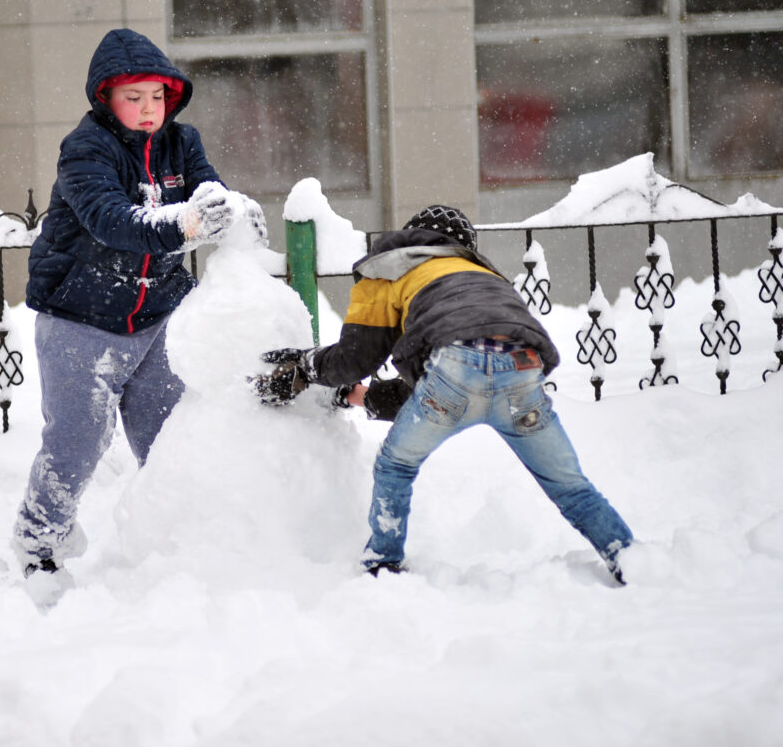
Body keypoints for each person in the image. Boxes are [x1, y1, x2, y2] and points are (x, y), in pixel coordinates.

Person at [255, 204, 633, 584]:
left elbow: (355, 360)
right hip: (522, 368)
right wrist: (360, 398)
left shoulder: (390, 266)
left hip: (454, 367)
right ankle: (630, 560)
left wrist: (306, 365)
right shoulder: (480, 274)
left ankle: (383, 564)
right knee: (570, 486)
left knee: (397, 465)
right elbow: (428, 386)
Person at [14, 28, 267, 581]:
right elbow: (112, 221)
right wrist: (188, 223)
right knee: (77, 443)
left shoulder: (184, 142)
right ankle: (39, 545)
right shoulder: (86, 149)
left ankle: (177, 544)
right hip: (80, 317)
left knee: (172, 441)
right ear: (106, 97)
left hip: (157, 319)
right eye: (135, 98)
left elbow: (209, 194)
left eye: (158, 97)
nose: (149, 110)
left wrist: (237, 213)